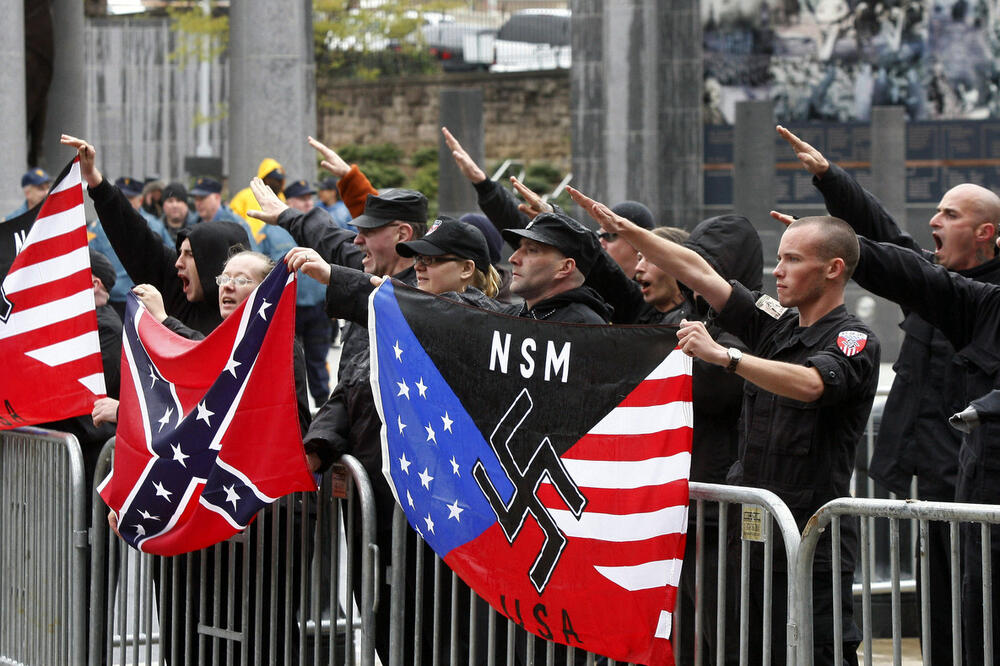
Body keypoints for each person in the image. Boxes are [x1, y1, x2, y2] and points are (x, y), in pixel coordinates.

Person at [570, 186, 878, 666]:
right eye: (778, 258)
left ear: (833, 269)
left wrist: (727, 357)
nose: (778, 271)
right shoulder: (776, 325)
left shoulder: (853, 338)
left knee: (812, 650)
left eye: (793, 260)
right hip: (750, 532)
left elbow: (813, 383)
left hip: (807, 535)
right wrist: (630, 233)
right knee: (740, 648)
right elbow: (699, 273)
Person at [777, 124, 1000, 665]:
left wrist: (842, 249)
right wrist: (833, 184)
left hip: (979, 487)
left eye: (950, 215)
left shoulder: (986, 305)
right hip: (937, 480)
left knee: (981, 611)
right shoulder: (938, 288)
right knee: (944, 612)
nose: (935, 221)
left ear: (986, 232)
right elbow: (890, 244)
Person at [61, 135, 251, 336]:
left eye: (189, 254)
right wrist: (94, 180)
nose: (178, 263)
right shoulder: (179, 292)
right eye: (180, 253)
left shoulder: (256, 316)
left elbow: (206, 356)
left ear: (213, 262)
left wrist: (164, 320)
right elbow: (135, 238)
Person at [88, 176, 170, 321]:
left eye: (130, 198)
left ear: (140, 200)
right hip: (111, 301)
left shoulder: (155, 226)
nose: (124, 203)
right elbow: (90, 262)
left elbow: (168, 260)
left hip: (145, 301)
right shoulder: (97, 228)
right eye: (123, 197)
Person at [190, 176, 258, 250]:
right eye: (196, 199)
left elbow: (252, 254)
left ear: (217, 197)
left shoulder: (236, 224)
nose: (198, 203)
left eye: (202, 198)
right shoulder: (192, 223)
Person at [230, 158, 285, 245]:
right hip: (249, 246)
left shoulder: (282, 198)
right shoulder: (244, 196)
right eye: (275, 180)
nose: (278, 183)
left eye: (280, 180)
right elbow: (232, 221)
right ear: (265, 178)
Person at [158, 182, 200, 246]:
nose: (174, 205)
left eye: (179, 200)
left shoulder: (198, 225)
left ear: (186, 204)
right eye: (170, 201)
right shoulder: (155, 228)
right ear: (163, 205)